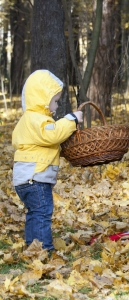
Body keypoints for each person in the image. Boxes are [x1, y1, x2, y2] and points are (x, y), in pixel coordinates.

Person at [12, 70, 84, 251]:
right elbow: (52, 135)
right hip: (35, 178)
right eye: (55, 101)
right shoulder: (36, 119)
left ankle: (33, 246)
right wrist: (72, 119)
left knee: (34, 213)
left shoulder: (30, 119)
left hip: (27, 179)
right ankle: (44, 250)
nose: (57, 106)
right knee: (42, 213)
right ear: (43, 98)